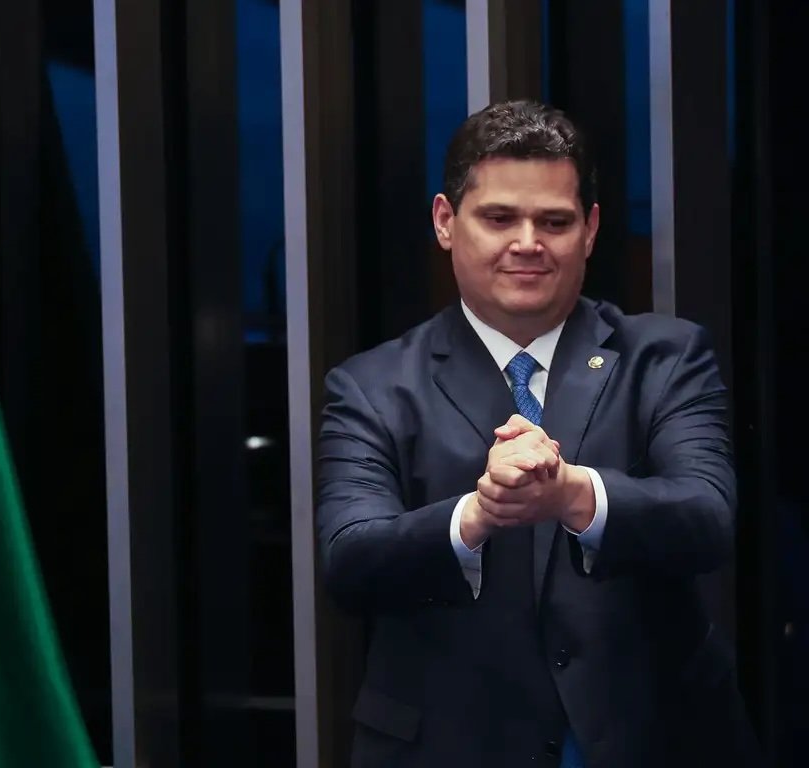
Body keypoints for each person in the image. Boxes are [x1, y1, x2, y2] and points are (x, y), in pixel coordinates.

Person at [316, 100, 761, 767]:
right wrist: (477, 513)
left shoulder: (665, 358)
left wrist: (575, 494)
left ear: (590, 230)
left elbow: (707, 517)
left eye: (554, 221)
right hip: (450, 745)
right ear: (445, 221)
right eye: (499, 218)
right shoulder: (372, 386)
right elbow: (350, 560)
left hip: (653, 736)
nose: (528, 242)